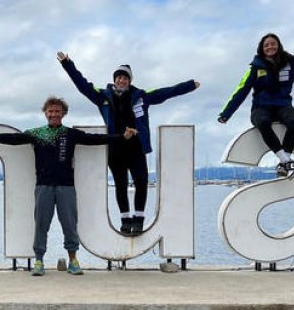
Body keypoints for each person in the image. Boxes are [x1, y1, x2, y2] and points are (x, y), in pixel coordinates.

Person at [0, 97, 135, 277]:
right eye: (50, 111)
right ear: (45, 113)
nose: (53, 114)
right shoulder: (36, 133)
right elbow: (14, 139)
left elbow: (95, 139)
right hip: (43, 186)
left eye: (57, 111)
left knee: (69, 224)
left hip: (66, 186)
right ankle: (39, 261)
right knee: (41, 224)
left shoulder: (70, 134)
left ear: (63, 113)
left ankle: (73, 260)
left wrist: (122, 136)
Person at [57, 53, 199, 235]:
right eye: (119, 77)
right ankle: (125, 220)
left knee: (141, 181)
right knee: (120, 184)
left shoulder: (141, 96)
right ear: (114, 80)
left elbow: (167, 92)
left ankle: (138, 220)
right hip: (115, 147)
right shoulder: (103, 96)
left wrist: (190, 85)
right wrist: (67, 64)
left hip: (136, 147)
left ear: (129, 81)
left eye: (125, 78)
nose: (121, 80)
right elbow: (82, 85)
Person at [218, 20, 294, 177]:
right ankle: (285, 160)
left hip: (283, 105)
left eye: (273, 44)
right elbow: (241, 91)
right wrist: (226, 114)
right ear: (262, 49)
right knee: (262, 122)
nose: (270, 47)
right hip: (261, 107)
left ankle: (284, 163)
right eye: (266, 45)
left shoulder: (291, 62)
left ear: (279, 46)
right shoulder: (255, 68)